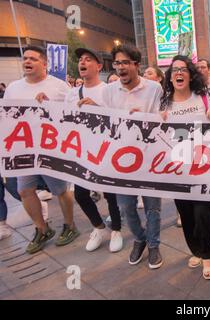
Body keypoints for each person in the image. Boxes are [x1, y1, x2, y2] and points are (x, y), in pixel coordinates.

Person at [3, 46, 77, 254]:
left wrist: (50, 106)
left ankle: (70, 225)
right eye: (25, 58)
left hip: (51, 149)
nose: (27, 62)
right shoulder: (13, 88)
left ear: (44, 63)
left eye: (32, 59)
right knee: (24, 190)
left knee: (60, 191)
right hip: (24, 149)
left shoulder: (60, 87)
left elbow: (72, 116)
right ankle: (42, 228)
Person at [160, 55, 210, 280]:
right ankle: (196, 249)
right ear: (170, 76)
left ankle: (207, 254)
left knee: (204, 212)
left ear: (190, 74)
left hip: (204, 167)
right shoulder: (164, 103)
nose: (178, 73)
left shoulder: (204, 98)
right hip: (178, 170)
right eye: (174, 70)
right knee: (186, 214)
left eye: (183, 69)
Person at [103, 44, 164, 269]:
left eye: (125, 63)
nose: (120, 67)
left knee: (153, 207)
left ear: (136, 65)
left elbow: (163, 118)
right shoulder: (108, 91)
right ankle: (140, 239)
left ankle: (154, 245)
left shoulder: (154, 88)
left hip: (148, 159)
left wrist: (146, 118)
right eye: (117, 63)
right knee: (126, 207)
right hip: (121, 162)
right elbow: (105, 123)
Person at [65, 47, 123, 253]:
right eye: (81, 59)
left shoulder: (110, 91)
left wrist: (97, 109)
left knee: (111, 194)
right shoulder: (71, 93)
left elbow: (119, 122)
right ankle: (98, 227)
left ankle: (116, 229)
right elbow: (63, 119)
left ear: (98, 66)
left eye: (89, 59)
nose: (83, 62)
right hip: (82, 151)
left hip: (106, 151)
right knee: (80, 194)